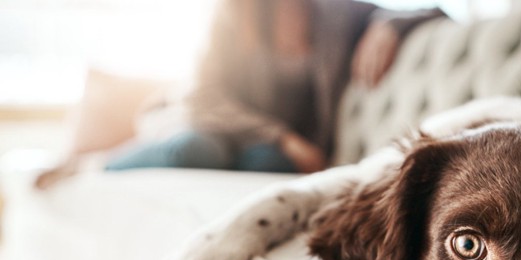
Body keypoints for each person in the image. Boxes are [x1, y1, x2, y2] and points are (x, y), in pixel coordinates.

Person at [36, 0, 444, 187]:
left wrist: (389, 27)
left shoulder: (337, 15)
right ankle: (93, 168)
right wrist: (282, 137)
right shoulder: (232, 12)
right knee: (200, 149)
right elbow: (202, 97)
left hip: (271, 150)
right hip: (209, 126)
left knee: (271, 165)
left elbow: (434, 11)